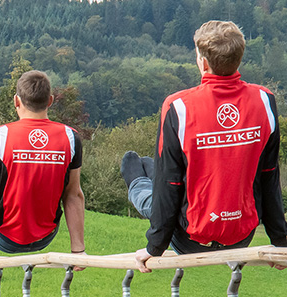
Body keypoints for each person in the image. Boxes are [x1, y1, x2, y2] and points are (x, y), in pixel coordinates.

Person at [122, 20, 287, 272]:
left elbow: (170, 184)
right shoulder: (265, 101)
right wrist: (280, 241)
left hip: (191, 239)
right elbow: (269, 175)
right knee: (163, 175)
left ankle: (135, 178)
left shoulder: (178, 107)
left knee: (148, 189)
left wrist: (153, 248)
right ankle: (144, 169)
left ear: (204, 62)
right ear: (239, 59)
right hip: (241, 235)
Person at [0, 70, 86, 273]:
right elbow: (73, 194)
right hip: (45, 236)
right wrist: (78, 251)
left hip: (6, 238)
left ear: (16, 101)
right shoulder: (70, 137)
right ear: (49, 101)